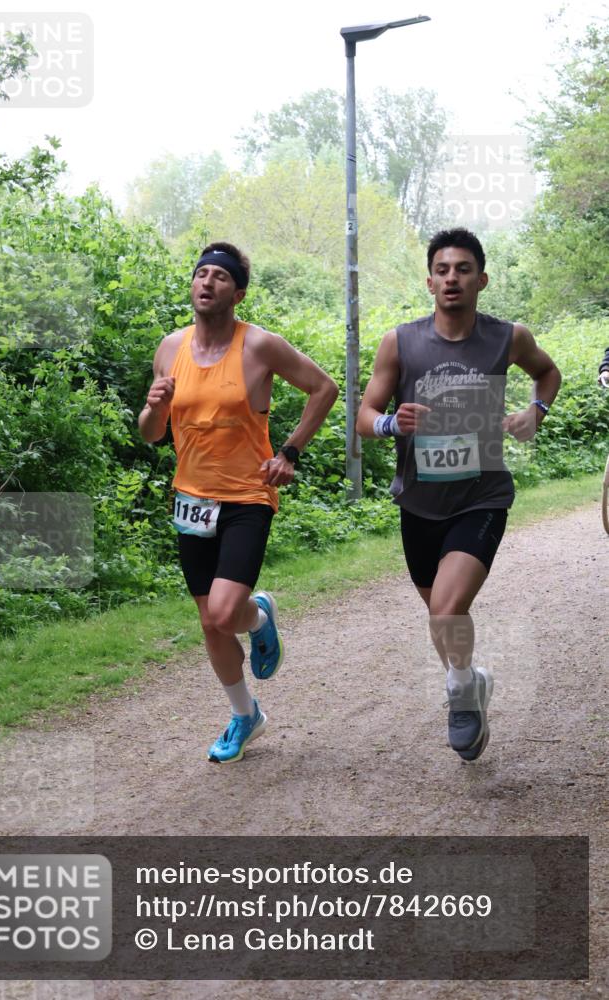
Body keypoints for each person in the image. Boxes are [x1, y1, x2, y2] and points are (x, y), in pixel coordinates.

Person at [357, 227, 561, 762]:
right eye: (443, 270)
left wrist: (533, 412)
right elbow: (363, 416)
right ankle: (470, 680)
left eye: (464, 269)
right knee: (440, 615)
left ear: (482, 279)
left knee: (448, 606)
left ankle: (458, 696)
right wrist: (391, 425)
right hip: (419, 502)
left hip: (482, 496)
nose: (453, 278)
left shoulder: (507, 336)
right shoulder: (400, 341)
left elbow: (547, 373)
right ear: (430, 281)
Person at [139, 242, 338, 764]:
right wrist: (154, 408)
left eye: (219, 277)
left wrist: (289, 452)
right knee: (209, 624)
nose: (206, 282)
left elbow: (324, 388)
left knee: (226, 613)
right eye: (200, 274)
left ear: (238, 292)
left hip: (247, 496)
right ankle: (245, 715)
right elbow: (151, 433)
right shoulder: (170, 347)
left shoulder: (259, 347)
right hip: (191, 500)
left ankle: (259, 616)